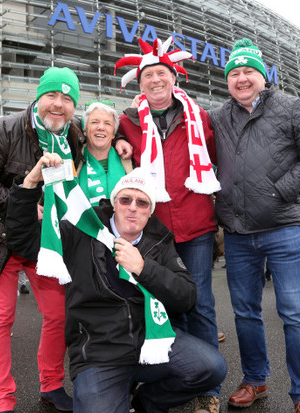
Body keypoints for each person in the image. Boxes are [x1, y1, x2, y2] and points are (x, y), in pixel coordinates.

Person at [5, 163, 227, 413]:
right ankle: (115, 393)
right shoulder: (81, 230)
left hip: (150, 342)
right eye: (126, 199)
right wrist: (29, 185)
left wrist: (144, 268)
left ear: (150, 212)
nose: (133, 207)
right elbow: (22, 241)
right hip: (99, 353)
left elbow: (186, 297)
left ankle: (146, 402)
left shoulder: (160, 240)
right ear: (115, 203)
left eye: (142, 203)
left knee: (211, 368)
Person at [208, 38, 300, 412]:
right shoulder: (217, 117)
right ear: (227, 80)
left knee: (295, 312)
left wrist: (281, 191)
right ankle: (255, 380)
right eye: (234, 73)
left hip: (283, 227)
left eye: (249, 71)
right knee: (245, 312)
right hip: (238, 232)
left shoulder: (293, 107)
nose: (242, 78)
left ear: (263, 76)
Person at [0, 66, 84, 413]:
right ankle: (1, 399)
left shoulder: (73, 135)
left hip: (44, 243)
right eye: (52, 96)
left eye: (67, 98)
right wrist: (22, 205)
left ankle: (52, 385)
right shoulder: (2, 129)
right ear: (38, 97)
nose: (58, 105)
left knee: (58, 315)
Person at [114, 37, 221, 413]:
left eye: (162, 73)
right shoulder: (127, 122)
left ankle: (209, 387)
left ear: (174, 78)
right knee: (159, 300)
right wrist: (117, 142)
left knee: (201, 304)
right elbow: (109, 150)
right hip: (155, 230)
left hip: (196, 227)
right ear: (139, 83)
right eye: (148, 75)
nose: (155, 80)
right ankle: (173, 374)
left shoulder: (201, 118)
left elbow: (220, 161)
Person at [76, 100, 132, 205]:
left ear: (114, 134)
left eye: (107, 123)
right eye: (94, 122)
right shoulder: (74, 159)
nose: (101, 127)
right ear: (84, 131)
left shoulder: (128, 159)